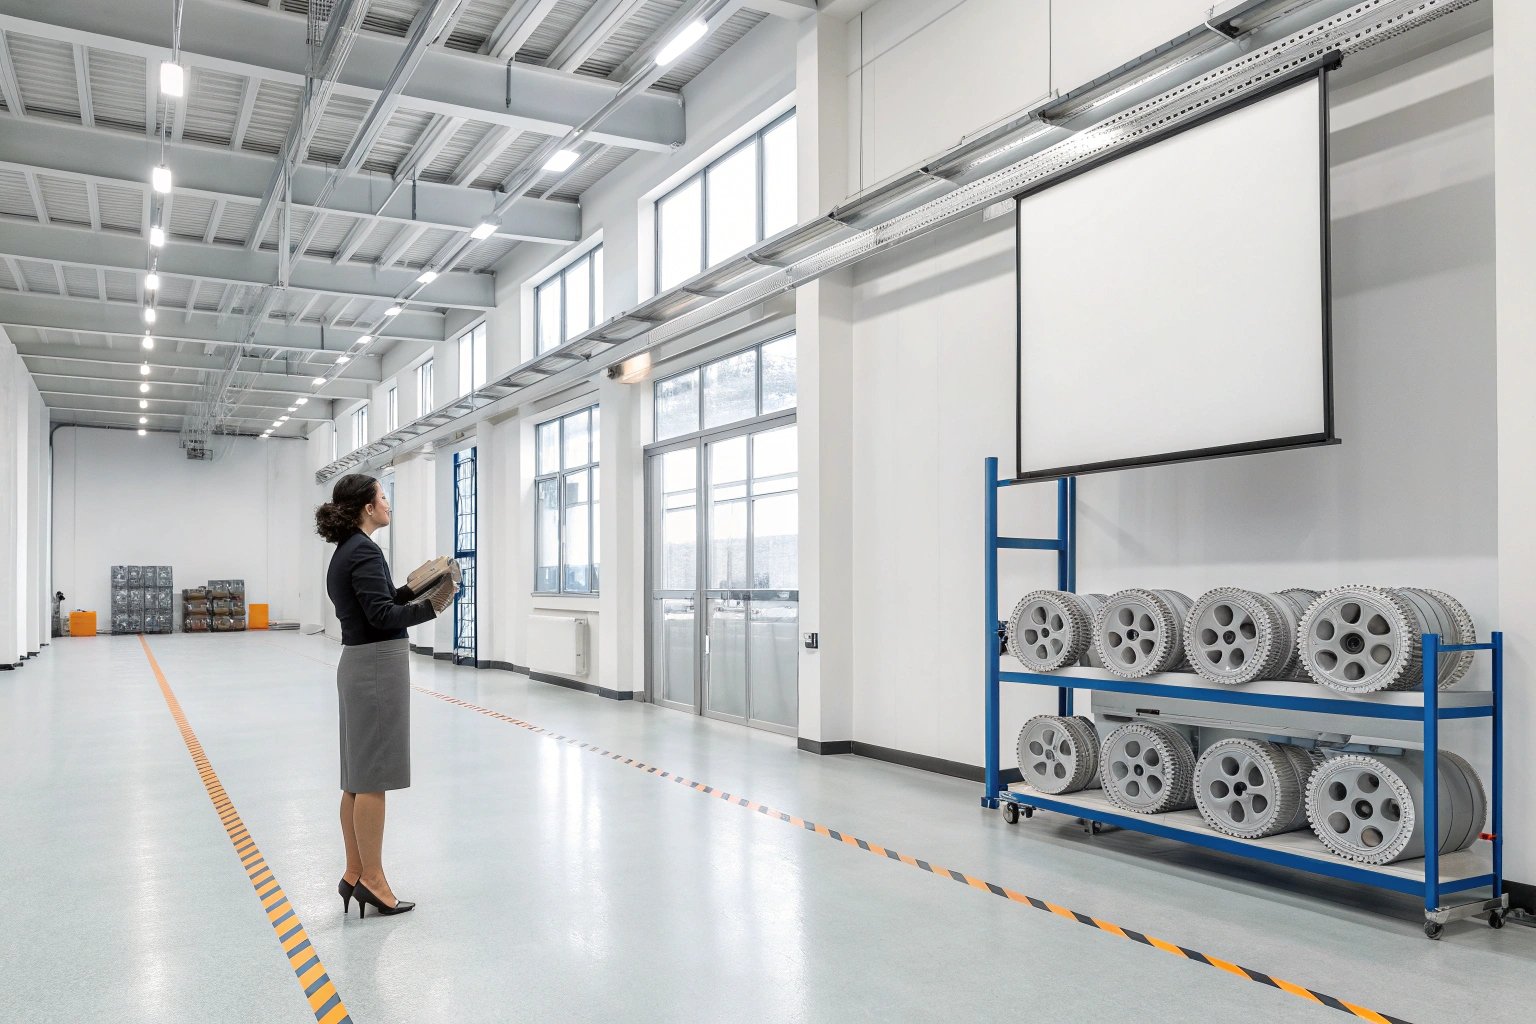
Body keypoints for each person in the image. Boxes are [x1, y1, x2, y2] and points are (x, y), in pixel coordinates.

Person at [315, 474, 456, 919]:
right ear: (366, 507)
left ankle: (356, 871)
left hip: (359, 662)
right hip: (377, 665)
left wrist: (415, 587)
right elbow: (381, 615)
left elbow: (378, 601)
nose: (387, 501)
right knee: (374, 776)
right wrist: (434, 604)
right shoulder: (366, 551)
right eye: (382, 496)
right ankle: (374, 881)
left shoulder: (348, 552)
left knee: (357, 777)